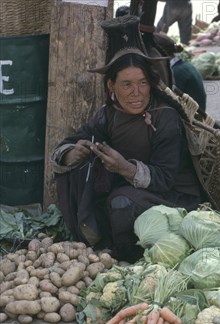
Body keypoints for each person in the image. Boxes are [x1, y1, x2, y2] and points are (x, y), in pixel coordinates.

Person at [52, 16, 210, 262]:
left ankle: (127, 258)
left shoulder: (164, 117)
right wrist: (73, 152)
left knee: (121, 202)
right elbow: (68, 145)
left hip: (173, 197)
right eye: (126, 85)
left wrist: (125, 168)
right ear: (111, 86)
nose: (136, 93)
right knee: (77, 176)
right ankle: (95, 244)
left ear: (151, 83)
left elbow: (166, 178)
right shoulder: (107, 115)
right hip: (130, 193)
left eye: (142, 83)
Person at [153, 32, 207, 113]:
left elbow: (170, 103)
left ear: (158, 53)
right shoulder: (183, 66)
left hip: (192, 117)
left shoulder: (176, 72)